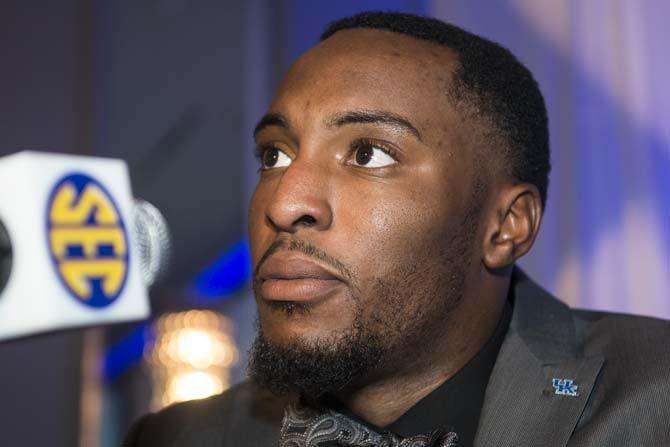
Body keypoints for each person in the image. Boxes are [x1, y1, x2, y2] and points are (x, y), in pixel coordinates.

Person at [123, 11, 670, 447]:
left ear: (506, 227)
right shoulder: (179, 437)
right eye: (275, 155)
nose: (285, 203)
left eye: (368, 154)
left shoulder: (654, 399)